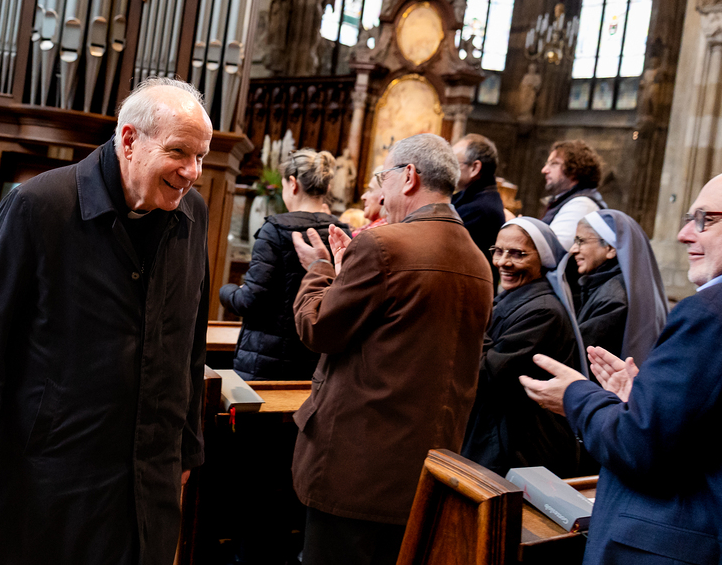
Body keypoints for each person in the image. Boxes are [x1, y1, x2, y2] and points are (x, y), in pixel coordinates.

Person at [0, 78, 213, 564]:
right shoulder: (40, 204)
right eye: (178, 152)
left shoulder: (193, 214)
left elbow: (190, 342)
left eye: (200, 156)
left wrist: (185, 446)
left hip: (146, 479)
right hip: (47, 476)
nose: (192, 171)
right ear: (128, 140)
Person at [288, 133, 494, 565]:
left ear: (409, 176)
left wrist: (320, 270)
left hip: (355, 469)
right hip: (426, 472)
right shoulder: (478, 261)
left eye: (384, 178)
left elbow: (318, 329)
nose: (380, 193)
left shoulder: (385, 245)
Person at [521, 174, 722, 565]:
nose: (683, 234)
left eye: (705, 220)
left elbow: (638, 443)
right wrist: (643, 396)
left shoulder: (708, 313)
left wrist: (577, 395)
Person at [461, 218, 584, 478]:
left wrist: (473, 314)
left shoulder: (543, 312)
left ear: (543, 260)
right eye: (498, 251)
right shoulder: (516, 298)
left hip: (519, 448)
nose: (503, 262)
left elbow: (487, 373)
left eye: (517, 254)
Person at [220, 148, 350, 380]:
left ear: (293, 183)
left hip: (267, 361)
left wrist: (226, 291)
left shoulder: (275, 229)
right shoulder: (342, 231)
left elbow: (251, 300)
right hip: (316, 359)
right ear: (327, 187)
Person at [568, 210, 668, 365]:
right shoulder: (608, 285)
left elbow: (579, 356)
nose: (573, 249)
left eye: (581, 241)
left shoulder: (612, 298)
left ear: (610, 249)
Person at [452, 134, 506, 278]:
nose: (447, 169)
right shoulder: (476, 197)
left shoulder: (480, 209)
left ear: (475, 168)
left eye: (453, 162)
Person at [540, 140, 606, 250]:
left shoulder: (582, 204)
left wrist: (517, 229)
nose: (544, 170)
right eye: (547, 164)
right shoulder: (565, 200)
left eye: (554, 164)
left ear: (574, 169)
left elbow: (554, 250)